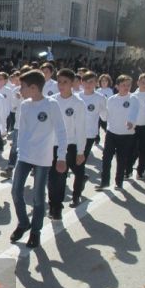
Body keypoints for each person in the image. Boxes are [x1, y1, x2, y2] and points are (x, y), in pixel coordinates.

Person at [11, 70, 67, 249]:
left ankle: (35, 231)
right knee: (15, 191)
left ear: (34, 88)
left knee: (37, 197)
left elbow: (61, 131)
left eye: (23, 86)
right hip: (25, 155)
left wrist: (62, 157)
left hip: (43, 157)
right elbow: (21, 130)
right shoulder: (25, 105)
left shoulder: (51, 105)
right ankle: (23, 223)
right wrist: (19, 151)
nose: (21, 89)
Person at [48, 68, 87, 216]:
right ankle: (53, 204)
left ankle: (57, 207)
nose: (61, 85)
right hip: (52, 145)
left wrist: (80, 151)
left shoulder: (78, 103)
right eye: (59, 82)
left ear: (72, 83)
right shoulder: (52, 100)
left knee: (61, 176)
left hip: (69, 145)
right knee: (52, 178)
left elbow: (81, 128)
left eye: (65, 82)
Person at [96, 74, 139, 191]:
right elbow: (105, 117)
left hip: (126, 134)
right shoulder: (111, 99)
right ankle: (104, 182)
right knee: (106, 158)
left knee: (121, 159)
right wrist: (100, 110)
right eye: (123, 85)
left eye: (128, 85)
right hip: (112, 132)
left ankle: (118, 182)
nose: (126, 87)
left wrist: (131, 122)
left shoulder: (133, 98)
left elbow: (134, 111)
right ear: (117, 86)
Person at [125, 73, 145, 180]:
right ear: (138, 82)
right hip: (134, 127)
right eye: (143, 82)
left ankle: (140, 170)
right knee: (131, 150)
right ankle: (128, 170)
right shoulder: (132, 96)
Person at [79, 71, 107, 165]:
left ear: (96, 83)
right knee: (73, 159)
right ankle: (81, 176)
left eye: (91, 82)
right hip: (75, 133)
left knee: (82, 158)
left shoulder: (100, 98)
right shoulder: (76, 96)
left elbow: (104, 116)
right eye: (86, 81)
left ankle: (80, 177)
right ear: (82, 82)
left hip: (90, 133)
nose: (88, 84)